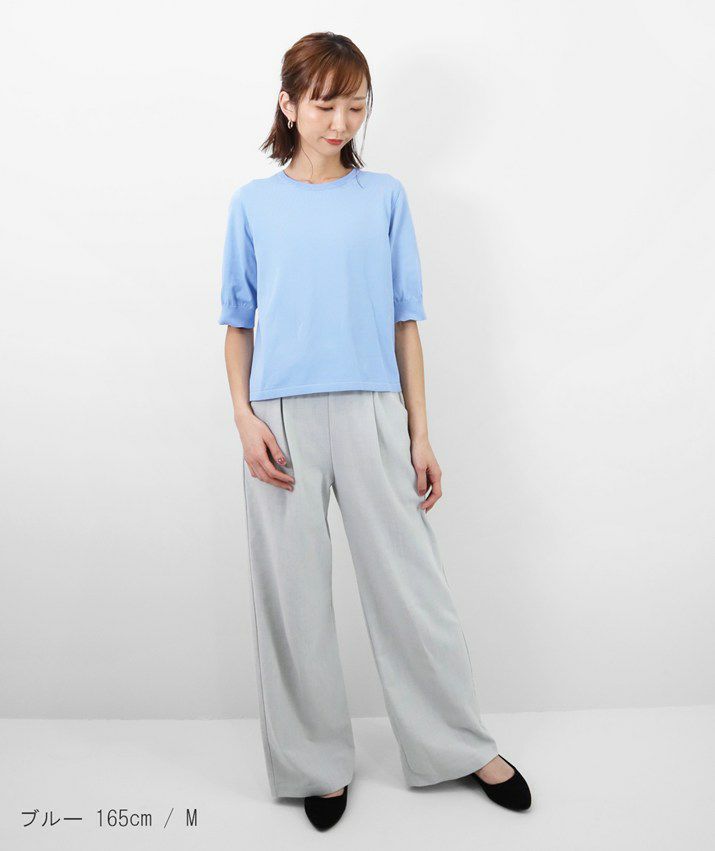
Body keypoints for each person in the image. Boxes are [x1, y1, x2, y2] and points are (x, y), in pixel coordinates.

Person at [219, 31, 532, 831]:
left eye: (355, 107)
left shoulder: (383, 196)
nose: (340, 122)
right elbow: (237, 323)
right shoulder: (253, 204)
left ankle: (457, 744)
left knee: (411, 589)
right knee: (292, 597)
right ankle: (314, 764)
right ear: (288, 104)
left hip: (371, 408)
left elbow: (404, 322)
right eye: (324, 105)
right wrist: (244, 418)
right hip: (280, 418)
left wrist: (419, 433)